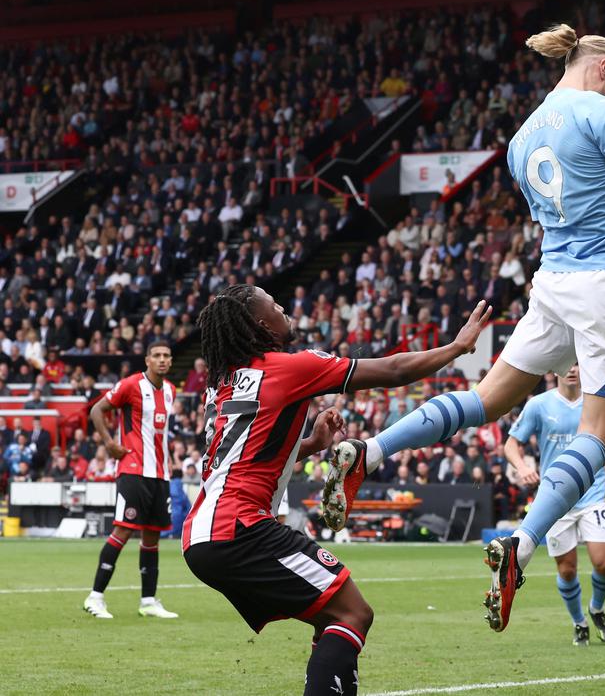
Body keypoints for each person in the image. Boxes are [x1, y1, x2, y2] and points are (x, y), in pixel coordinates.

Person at [318, 23, 605, 633]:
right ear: (604, 69)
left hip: (555, 282)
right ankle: (524, 544)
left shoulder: (519, 138)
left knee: (488, 397)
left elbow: (577, 211)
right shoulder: (603, 109)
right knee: (600, 435)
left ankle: (371, 450)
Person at [181, 284, 488, 696]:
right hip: (238, 528)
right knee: (352, 614)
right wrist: (456, 347)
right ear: (260, 324)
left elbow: (245, 454)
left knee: (333, 619)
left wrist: (309, 444)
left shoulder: (223, 384)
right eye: (274, 305)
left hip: (203, 533)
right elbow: (395, 371)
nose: (284, 308)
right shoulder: (289, 367)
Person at [503, 365, 605, 646]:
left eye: (577, 364)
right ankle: (579, 623)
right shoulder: (539, 405)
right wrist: (523, 467)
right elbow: (511, 445)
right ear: (554, 370)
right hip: (556, 499)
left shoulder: (595, 402)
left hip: (593, 493)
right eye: (566, 365)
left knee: (603, 563)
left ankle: (596, 608)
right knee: (567, 570)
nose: (571, 370)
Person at [83, 340, 179, 620]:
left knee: (152, 536)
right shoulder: (131, 385)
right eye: (157, 355)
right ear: (147, 360)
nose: (162, 360)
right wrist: (110, 443)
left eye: (166, 356)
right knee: (123, 531)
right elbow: (97, 410)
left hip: (160, 474)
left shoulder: (171, 391)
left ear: (170, 361)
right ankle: (95, 597)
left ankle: (148, 600)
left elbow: (159, 434)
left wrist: (169, 458)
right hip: (133, 470)